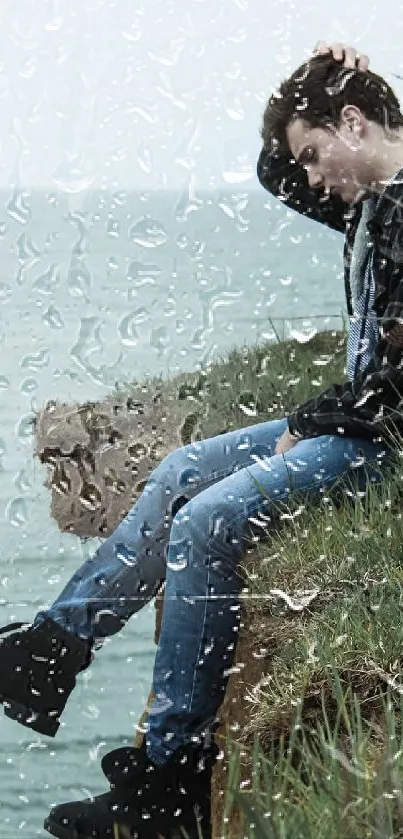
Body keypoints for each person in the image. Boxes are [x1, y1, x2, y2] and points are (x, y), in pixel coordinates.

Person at [2, 40, 403, 839]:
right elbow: (277, 176)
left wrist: (314, 419)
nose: (314, 177)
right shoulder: (369, 199)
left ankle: (168, 777)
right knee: (183, 468)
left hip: (383, 438)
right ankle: (53, 646)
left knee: (207, 521)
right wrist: (304, 93)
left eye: (318, 153)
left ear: (353, 122)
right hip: (358, 417)